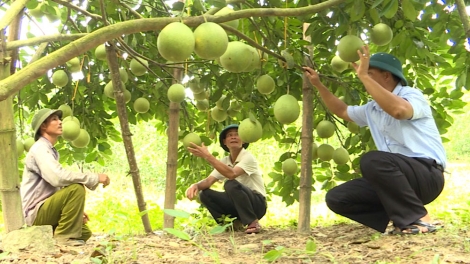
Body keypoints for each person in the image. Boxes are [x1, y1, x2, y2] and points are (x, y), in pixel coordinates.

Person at [303, 46, 446, 235]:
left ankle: (418, 218)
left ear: (386, 76)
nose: (364, 77)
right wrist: (318, 85)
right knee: (337, 198)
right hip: (395, 181)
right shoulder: (372, 108)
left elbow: (399, 111)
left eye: (370, 73)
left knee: (373, 160)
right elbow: (343, 111)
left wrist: (363, 76)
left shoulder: (411, 95)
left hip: (426, 175)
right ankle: (400, 217)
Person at [20, 108, 111, 246]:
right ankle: (63, 238)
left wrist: (73, 211)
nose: (60, 122)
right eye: (54, 119)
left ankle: (51, 239)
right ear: (43, 126)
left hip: (45, 208)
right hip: (36, 213)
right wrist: (94, 177)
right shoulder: (40, 149)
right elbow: (57, 177)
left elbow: (54, 187)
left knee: (84, 233)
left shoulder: (49, 149)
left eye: (59, 119)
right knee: (76, 188)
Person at [185, 124, 267, 234]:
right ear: (225, 142)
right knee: (204, 194)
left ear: (243, 140)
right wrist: (195, 185)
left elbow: (232, 174)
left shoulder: (248, 157)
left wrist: (208, 156)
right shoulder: (225, 161)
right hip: (237, 205)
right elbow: (209, 181)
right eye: (230, 135)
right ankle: (229, 225)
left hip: (257, 205)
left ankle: (252, 221)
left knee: (230, 183)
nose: (233, 137)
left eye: (237, 134)